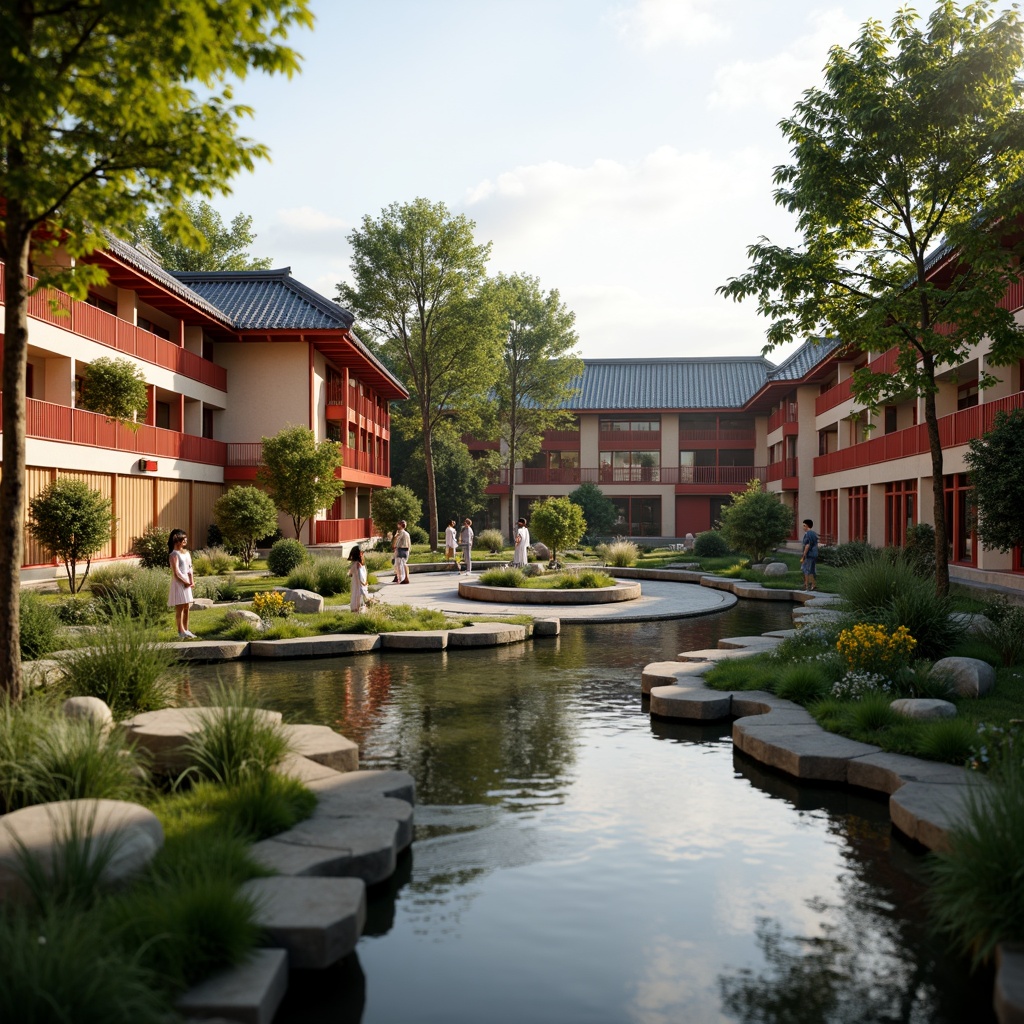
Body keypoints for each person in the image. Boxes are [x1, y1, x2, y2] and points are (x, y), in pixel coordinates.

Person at [167, 528, 196, 639]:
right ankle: (181, 631)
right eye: (183, 539)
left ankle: (186, 629)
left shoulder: (186, 553)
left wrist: (191, 581)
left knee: (186, 607)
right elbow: (176, 572)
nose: (185, 540)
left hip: (187, 583)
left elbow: (190, 568)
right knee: (179, 608)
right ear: (177, 541)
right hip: (179, 584)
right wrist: (185, 582)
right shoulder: (173, 555)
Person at [801, 518, 819, 592]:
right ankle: (813, 585)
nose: (803, 527)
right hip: (814, 554)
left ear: (807, 526)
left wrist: (804, 555)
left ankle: (806, 586)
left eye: (804, 525)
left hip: (809, 554)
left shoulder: (807, 534)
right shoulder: (813, 533)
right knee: (811, 570)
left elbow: (807, 546)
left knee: (806, 569)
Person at [348, 545, 369, 612]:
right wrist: (364, 583)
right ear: (359, 554)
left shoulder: (354, 564)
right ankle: (360, 610)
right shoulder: (358, 564)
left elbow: (350, 573)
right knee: (361, 597)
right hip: (360, 585)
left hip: (356, 584)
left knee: (355, 595)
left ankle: (355, 609)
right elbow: (361, 576)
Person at [392, 520, 412, 584]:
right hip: (406, 550)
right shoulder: (407, 533)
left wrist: (395, 538)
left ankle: (402, 578)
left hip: (400, 549)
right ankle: (404, 577)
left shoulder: (400, 533)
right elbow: (409, 544)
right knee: (404, 564)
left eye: (398, 524)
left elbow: (396, 542)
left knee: (399, 565)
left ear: (400, 525)